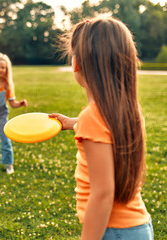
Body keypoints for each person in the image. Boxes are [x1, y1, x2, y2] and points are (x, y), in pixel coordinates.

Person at [49, 17, 153, 239]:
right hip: (138, 226)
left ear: (76, 63)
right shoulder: (126, 111)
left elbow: (103, 194)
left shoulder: (93, 117)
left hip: (113, 231)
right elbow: (106, 131)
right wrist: (72, 123)